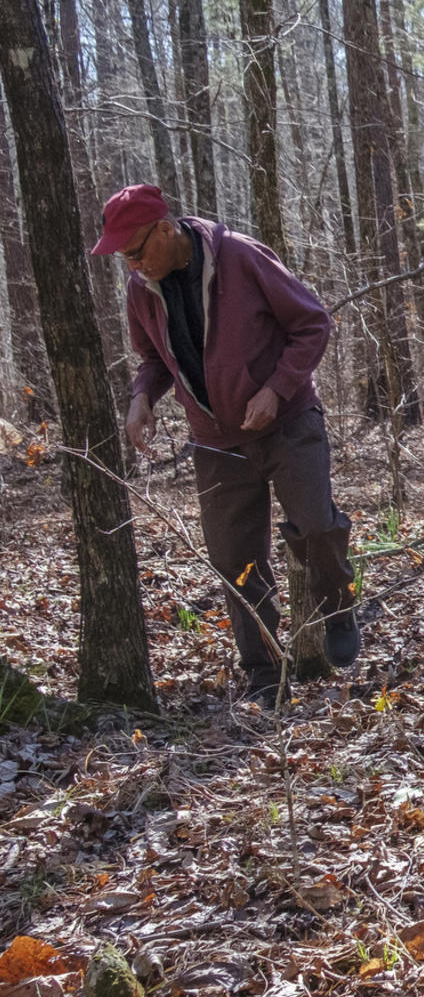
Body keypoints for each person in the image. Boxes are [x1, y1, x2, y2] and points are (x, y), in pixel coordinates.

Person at [105, 183, 358, 703]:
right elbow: (154, 360)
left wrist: (277, 388)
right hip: (215, 442)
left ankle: (337, 603)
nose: (132, 265)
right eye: (122, 258)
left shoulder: (239, 256)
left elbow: (312, 323)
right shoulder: (140, 291)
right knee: (235, 561)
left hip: (287, 421)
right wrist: (141, 399)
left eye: (135, 252)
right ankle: (267, 677)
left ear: (166, 229)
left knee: (316, 525)